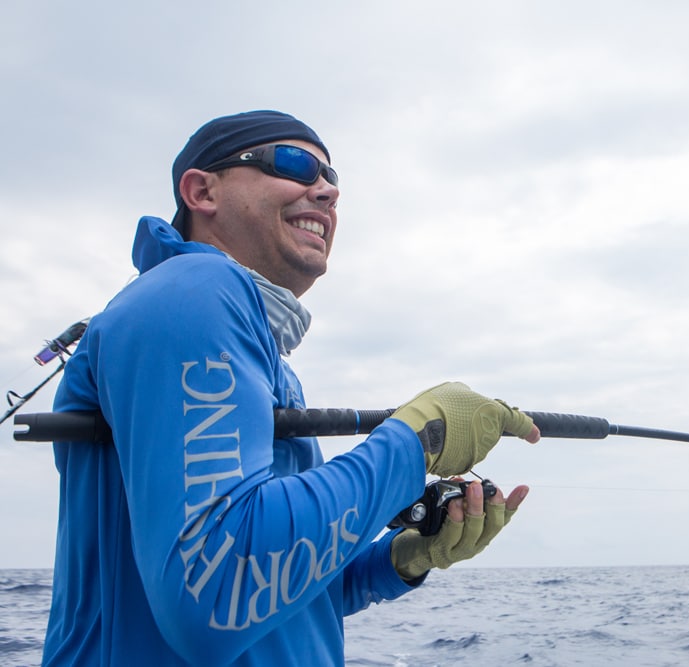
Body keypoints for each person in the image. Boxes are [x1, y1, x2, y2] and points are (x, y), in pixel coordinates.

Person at [41, 110, 541, 666]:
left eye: (332, 179)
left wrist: (404, 558)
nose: (325, 191)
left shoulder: (263, 356)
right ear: (201, 191)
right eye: (296, 165)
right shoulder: (192, 291)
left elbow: (286, 591)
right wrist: (413, 442)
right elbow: (216, 593)